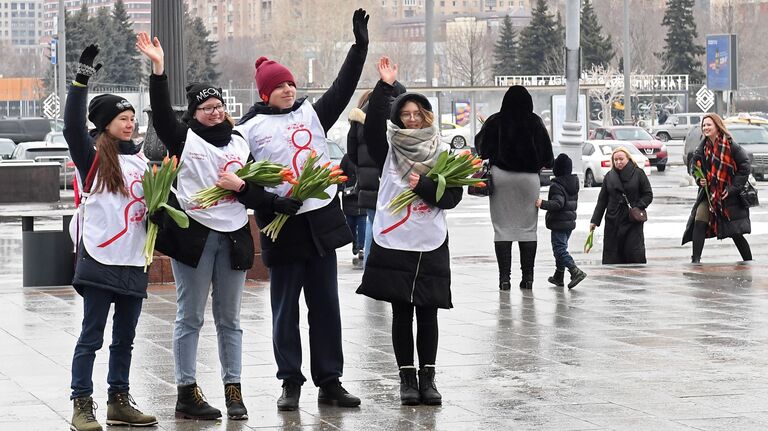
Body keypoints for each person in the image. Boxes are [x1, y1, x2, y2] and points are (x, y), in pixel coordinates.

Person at [235, 8, 369, 411]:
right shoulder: (248, 130)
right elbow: (242, 183)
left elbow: (344, 88)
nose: (289, 90)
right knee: (284, 309)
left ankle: (330, 380)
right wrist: (273, 202)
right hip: (282, 226)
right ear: (264, 94)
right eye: (280, 86)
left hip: (320, 223)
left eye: (291, 83)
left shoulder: (312, 114)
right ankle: (290, 381)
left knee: (326, 306)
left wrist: (359, 47)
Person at [136, 32, 267, 420]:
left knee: (230, 319)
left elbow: (255, 188)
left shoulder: (240, 141)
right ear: (193, 114)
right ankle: (186, 391)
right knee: (190, 316)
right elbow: (160, 115)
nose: (214, 111)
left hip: (233, 237)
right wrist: (158, 70)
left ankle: (233, 389)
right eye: (206, 107)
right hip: (194, 235)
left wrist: (240, 187)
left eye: (218, 105)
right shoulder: (184, 138)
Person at [357, 56, 463, 406]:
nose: (412, 119)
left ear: (428, 116)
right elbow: (371, 126)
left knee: (428, 311)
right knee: (402, 312)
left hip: (429, 241)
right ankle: (407, 379)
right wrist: (385, 87)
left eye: (418, 113)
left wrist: (424, 186)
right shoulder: (386, 148)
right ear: (398, 117)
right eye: (406, 114)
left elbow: (452, 196)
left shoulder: (442, 150)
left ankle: (428, 379)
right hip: (395, 239)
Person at [64, 44, 157, 431]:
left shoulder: (140, 158)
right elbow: (71, 125)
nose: (130, 122)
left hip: (134, 258)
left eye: (133, 117)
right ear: (105, 123)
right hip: (101, 257)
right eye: (122, 117)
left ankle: (119, 399)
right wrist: (81, 79)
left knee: (125, 338)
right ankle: (81, 403)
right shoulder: (93, 156)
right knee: (91, 337)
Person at [475, 85, 554, 290]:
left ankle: (504, 279)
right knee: (528, 230)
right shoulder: (535, 121)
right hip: (528, 180)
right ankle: (528, 278)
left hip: (502, 179)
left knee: (502, 230)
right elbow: (547, 156)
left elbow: (481, 149)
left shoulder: (496, 120)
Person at [346, 83, 406, 266]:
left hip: (368, 183)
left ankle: (369, 272)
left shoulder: (358, 118)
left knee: (373, 224)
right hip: (393, 181)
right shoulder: (397, 115)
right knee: (396, 226)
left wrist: (364, 171)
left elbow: (352, 153)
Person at [682, 114, 752, 263]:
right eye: (704, 125)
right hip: (708, 194)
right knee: (699, 221)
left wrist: (733, 188)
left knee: (735, 231)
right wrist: (698, 179)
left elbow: (745, 166)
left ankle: (749, 261)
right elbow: (694, 167)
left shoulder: (731, 145)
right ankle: (695, 260)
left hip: (727, 195)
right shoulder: (702, 147)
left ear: (717, 126)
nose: (706, 128)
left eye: (709, 125)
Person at [590, 147, 653, 264]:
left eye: (621, 159)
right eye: (615, 160)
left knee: (632, 253)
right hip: (613, 220)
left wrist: (638, 206)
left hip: (632, 220)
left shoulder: (638, 173)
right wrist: (594, 221)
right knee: (613, 256)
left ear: (628, 159)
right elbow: (602, 200)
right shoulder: (609, 176)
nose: (618, 162)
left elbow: (648, 194)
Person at [535, 154, 586, 289]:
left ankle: (575, 271)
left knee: (559, 250)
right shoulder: (572, 183)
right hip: (568, 222)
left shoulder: (557, 185)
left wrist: (543, 203)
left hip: (559, 222)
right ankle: (559, 276)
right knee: (561, 248)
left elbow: (558, 204)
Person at [339, 153, 366, 268]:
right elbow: (340, 174)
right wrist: (342, 187)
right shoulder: (347, 157)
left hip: (363, 195)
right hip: (349, 196)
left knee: (362, 222)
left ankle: (361, 247)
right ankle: (354, 242)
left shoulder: (367, 155)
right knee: (350, 223)